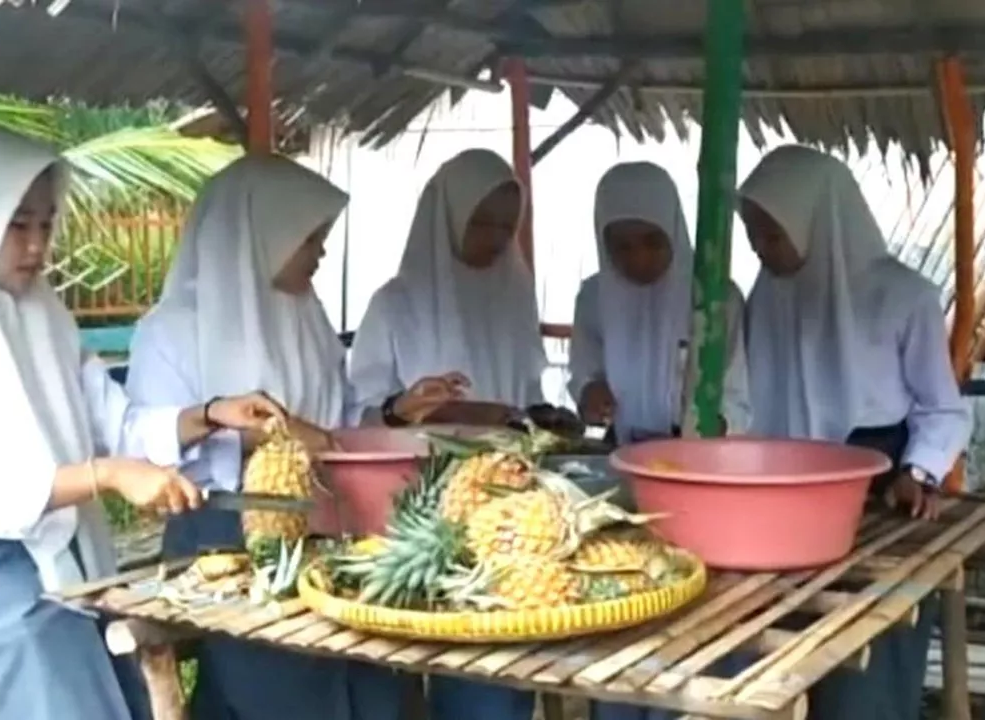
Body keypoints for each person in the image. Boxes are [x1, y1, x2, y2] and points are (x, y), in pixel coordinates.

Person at [0, 129, 286, 720]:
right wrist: (103, 475)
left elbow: (115, 425)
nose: (35, 246)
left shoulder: (43, 315)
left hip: (62, 556)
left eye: (46, 225)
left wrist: (208, 415)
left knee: (119, 699)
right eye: (17, 225)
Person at [125, 153, 460, 720]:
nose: (321, 253)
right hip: (226, 537)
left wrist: (396, 410)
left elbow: (338, 419)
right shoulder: (173, 330)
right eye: (310, 238)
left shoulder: (307, 313)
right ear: (263, 233)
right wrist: (267, 439)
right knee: (279, 689)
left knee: (371, 682)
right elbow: (147, 447)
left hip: (330, 526)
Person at [739, 144, 971, 720]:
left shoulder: (904, 295)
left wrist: (919, 471)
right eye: (753, 234)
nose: (759, 250)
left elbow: (942, 408)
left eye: (772, 235)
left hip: (880, 504)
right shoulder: (766, 294)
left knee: (866, 677)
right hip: (782, 509)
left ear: (818, 218)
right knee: (782, 671)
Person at [349, 148, 546, 720]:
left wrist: (535, 416)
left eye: (506, 226)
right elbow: (359, 415)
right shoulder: (395, 304)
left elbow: (525, 392)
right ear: (447, 218)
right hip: (421, 519)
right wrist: (408, 409)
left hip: (513, 509)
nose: (494, 238)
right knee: (445, 661)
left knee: (509, 659)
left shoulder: (514, 291)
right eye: (480, 222)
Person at [569, 161, 749, 446]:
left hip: (697, 454)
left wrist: (712, 426)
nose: (638, 258)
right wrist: (589, 393)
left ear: (673, 231)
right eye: (622, 247)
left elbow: (738, 396)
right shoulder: (594, 298)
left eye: (653, 242)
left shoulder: (715, 299)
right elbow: (584, 372)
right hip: (621, 451)